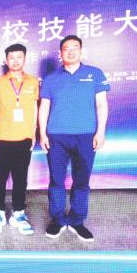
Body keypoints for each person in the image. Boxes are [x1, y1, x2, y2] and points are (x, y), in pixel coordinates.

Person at [38, 35, 110, 242]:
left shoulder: (94, 74)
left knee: (82, 180)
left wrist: (100, 132)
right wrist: (42, 133)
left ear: (81, 51)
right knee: (56, 180)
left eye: (74, 48)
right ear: (60, 53)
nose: (70, 51)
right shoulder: (51, 78)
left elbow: (101, 104)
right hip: (56, 136)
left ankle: (77, 220)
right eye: (66, 48)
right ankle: (58, 219)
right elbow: (44, 107)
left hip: (86, 135)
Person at [0, 43, 39, 236]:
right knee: (0, 179)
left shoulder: (32, 82)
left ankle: (19, 213)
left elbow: (34, 108)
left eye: (19, 57)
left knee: (20, 179)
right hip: (1, 138)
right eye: (12, 57)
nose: (15, 61)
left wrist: (33, 133)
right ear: (6, 60)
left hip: (24, 138)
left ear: (25, 58)